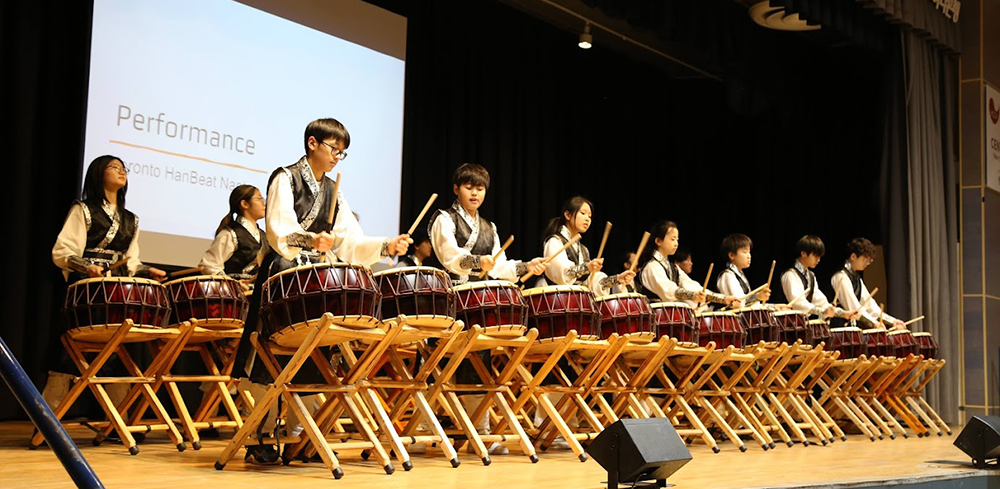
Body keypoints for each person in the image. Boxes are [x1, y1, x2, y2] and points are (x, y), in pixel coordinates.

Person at [233, 118, 411, 464]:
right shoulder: (285, 178)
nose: (337, 157)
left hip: (316, 281)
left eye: (342, 153)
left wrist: (386, 245)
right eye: (334, 149)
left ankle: (303, 438)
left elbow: (350, 240)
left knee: (313, 356)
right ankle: (259, 436)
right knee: (272, 354)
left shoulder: (333, 189)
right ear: (312, 143)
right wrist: (310, 239)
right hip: (284, 275)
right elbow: (278, 230)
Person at [427, 163, 546, 455]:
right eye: (469, 187)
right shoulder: (444, 218)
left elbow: (499, 266)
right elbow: (449, 256)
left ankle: (479, 430)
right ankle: (443, 428)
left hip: (477, 304)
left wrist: (525, 266)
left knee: (479, 360)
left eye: (480, 188)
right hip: (449, 299)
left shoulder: (489, 228)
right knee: (451, 363)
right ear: (456, 189)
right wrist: (478, 262)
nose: (475, 193)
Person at [47, 155, 167, 409]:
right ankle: (48, 421)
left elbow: (131, 262)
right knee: (68, 355)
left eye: (124, 168)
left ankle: (117, 420)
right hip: (86, 291)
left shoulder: (131, 219)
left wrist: (148, 271)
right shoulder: (83, 210)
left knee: (120, 355)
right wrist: (86, 267)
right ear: (99, 173)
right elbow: (62, 252)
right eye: (115, 167)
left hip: (117, 294)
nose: (122, 172)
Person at [539, 196, 634, 295]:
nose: (587, 219)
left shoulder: (583, 250)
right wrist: (587, 267)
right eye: (583, 213)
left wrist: (617, 279)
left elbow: (591, 283)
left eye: (589, 216)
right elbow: (562, 274)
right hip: (558, 299)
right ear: (567, 215)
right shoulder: (555, 241)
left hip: (578, 300)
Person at [638, 221, 739, 308]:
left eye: (677, 240)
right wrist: (692, 295)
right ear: (658, 241)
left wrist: (724, 298)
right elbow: (668, 290)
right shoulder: (651, 266)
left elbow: (692, 286)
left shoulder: (673, 268)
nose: (676, 243)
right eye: (672, 239)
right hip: (654, 318)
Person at [830, 237, 905, 330]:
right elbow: (853, 307)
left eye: (869, 261)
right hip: (836, 329)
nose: (867, 263)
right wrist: (874, 324)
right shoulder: (840, 276)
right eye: (864, 259)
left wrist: (892, 321)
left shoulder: (856, 278)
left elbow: (870, 306)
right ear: (853, 256)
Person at [198, 185, 266, 287]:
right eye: (259, 199)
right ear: (244, 204)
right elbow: (209, 265)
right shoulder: (230, 233)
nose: (264, 203)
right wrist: (232, 285)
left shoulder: (264, 236)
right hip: (237, 293)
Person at [779, 235, 856, 321]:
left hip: (801, 323)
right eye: (815, 256)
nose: (818, 260)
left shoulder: (810, 276)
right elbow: (798, 303)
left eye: (819, 256)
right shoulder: (790, 275)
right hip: (786, 323)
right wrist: (822, 311)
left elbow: (820, 301)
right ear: (803, 253)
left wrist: (842, 313)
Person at [715, 233, 772, 308]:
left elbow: (749, 304)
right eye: (745, 252)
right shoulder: (727, 276)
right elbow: (740, 304)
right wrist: (757, 297)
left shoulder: (740, 274)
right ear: (731, 255)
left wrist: (773, 306)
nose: (749, 256)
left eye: (749, 252)